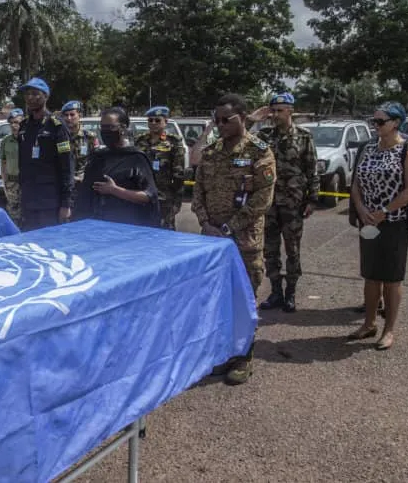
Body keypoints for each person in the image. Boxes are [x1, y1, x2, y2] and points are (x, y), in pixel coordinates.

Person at [191, 93, 276, 385]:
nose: (220, 125)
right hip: (212, 241)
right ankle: (224, 354)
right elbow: (197, 191)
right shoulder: (212, 152)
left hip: (244, 242)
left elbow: (262, 200)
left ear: (243, 117)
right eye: (217, 120)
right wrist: (205, 222)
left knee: (245, 300)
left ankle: (244, 357)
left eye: (226, 120)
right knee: (217, 299)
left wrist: (229, 227)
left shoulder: (259, 151)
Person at [348, 102, 408, 350]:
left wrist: (384, 211)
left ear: (396, 123)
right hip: (368, 221)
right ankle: (368, 324)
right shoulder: (368, 148)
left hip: (394, 223)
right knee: (370, 276)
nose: (375, 125)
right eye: (374, 121)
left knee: (391, 279)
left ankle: (389, 329)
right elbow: (356, 182)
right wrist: (361, 209)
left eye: (380, 121)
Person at [253, 93, 319, 313]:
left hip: (293, 203)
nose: (275, 115)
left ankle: (291, 293)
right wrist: (254, 119)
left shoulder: (304, 136)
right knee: (269, 250)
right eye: (273, 110)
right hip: (268, 204)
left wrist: (312, 199)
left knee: (292, 250)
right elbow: (242, 139)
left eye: (280, 110)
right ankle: (275, 293)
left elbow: (312, 168)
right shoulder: (263, 135)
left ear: (291, 111)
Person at [74, 107, 159, 226]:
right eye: (103, 127)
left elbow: (149, 196)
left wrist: (114, 190)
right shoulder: (98, 157)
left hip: (126, 225)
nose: (106, 131)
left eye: (111, 127)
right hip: (96, 225)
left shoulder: (136, 158)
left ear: (123, 128)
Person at [17, 77, 75, 231]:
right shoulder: (24, 126)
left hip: (50, 203)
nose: (30, 98)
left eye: (35, 94)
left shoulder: (56, 126)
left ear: (46, 96)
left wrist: (66, 203)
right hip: (29, 200)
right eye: (27, 94)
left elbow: (67, 167)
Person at [135, 106, 185, 230]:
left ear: (165, 122)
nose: (153, 123)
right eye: (150, 120)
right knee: (142, 232)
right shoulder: (140, 141)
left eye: (157, 120)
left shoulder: (173, 142)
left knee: (165, 233)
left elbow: (179, 174)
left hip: (164, 197)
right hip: (142, 195)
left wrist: (176, 202)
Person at [60, 100, 98, 188]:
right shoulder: (60, 138)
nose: (69, 118)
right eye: (66, 115)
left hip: (84, 184)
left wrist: (86, 175)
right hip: (64, 184)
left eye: (72, 114)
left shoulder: (89, 137)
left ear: (79, 115)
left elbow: (96, 161)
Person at [0, 108, 23, 226]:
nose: (14, 125)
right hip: (12, 183)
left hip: (27, 183)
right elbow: (3, 163)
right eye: (11, 123)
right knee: (13, 215)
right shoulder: (6, 141)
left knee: (28, 213)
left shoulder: (28, 140)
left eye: (17, 122)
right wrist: (4, 183)